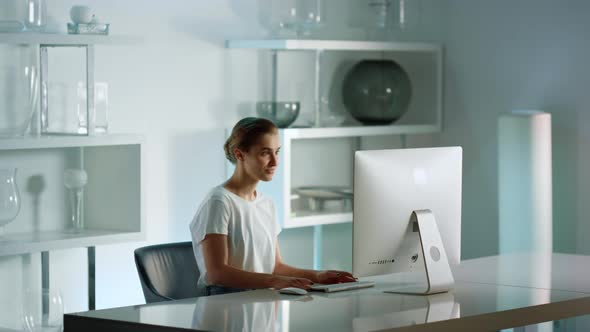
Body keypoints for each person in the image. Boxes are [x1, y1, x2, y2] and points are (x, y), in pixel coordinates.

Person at [190, 117, 356, 296]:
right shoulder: (219, 202)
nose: (275, 162)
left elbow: (275, 267)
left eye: (277, 152)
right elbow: (217, 274)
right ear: (240, 155)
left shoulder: (266, 204)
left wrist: (318, 275)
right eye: (265, 153)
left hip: (260, 302)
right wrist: (275, 281)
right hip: (224, 305)